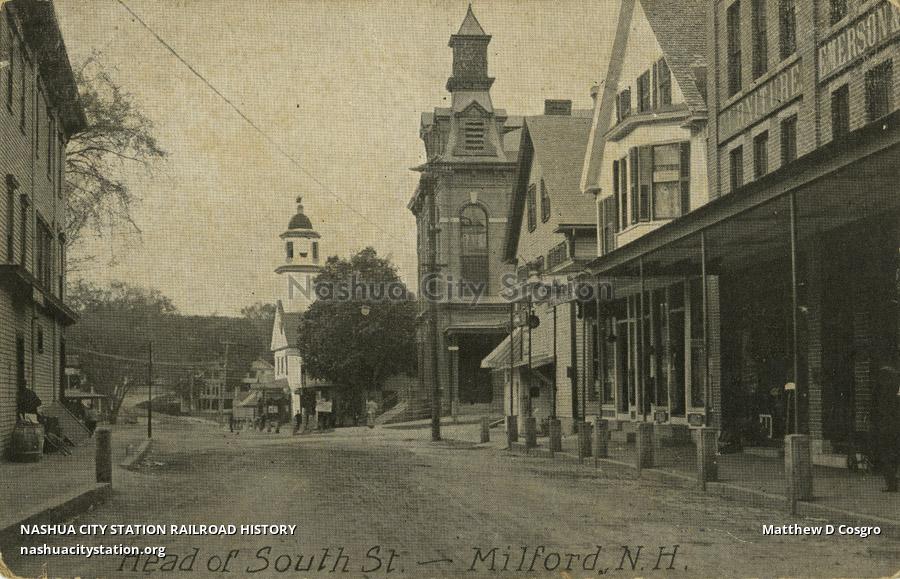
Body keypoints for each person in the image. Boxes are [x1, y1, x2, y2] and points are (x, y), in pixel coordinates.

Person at [874, 362, 900, 492]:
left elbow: (878, 408)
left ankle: (891, 484)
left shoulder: (881, 389)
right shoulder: (897, 387)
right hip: (893, 427)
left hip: (886, 427)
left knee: (887, 455)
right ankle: (892, 483)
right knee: (893, 455)